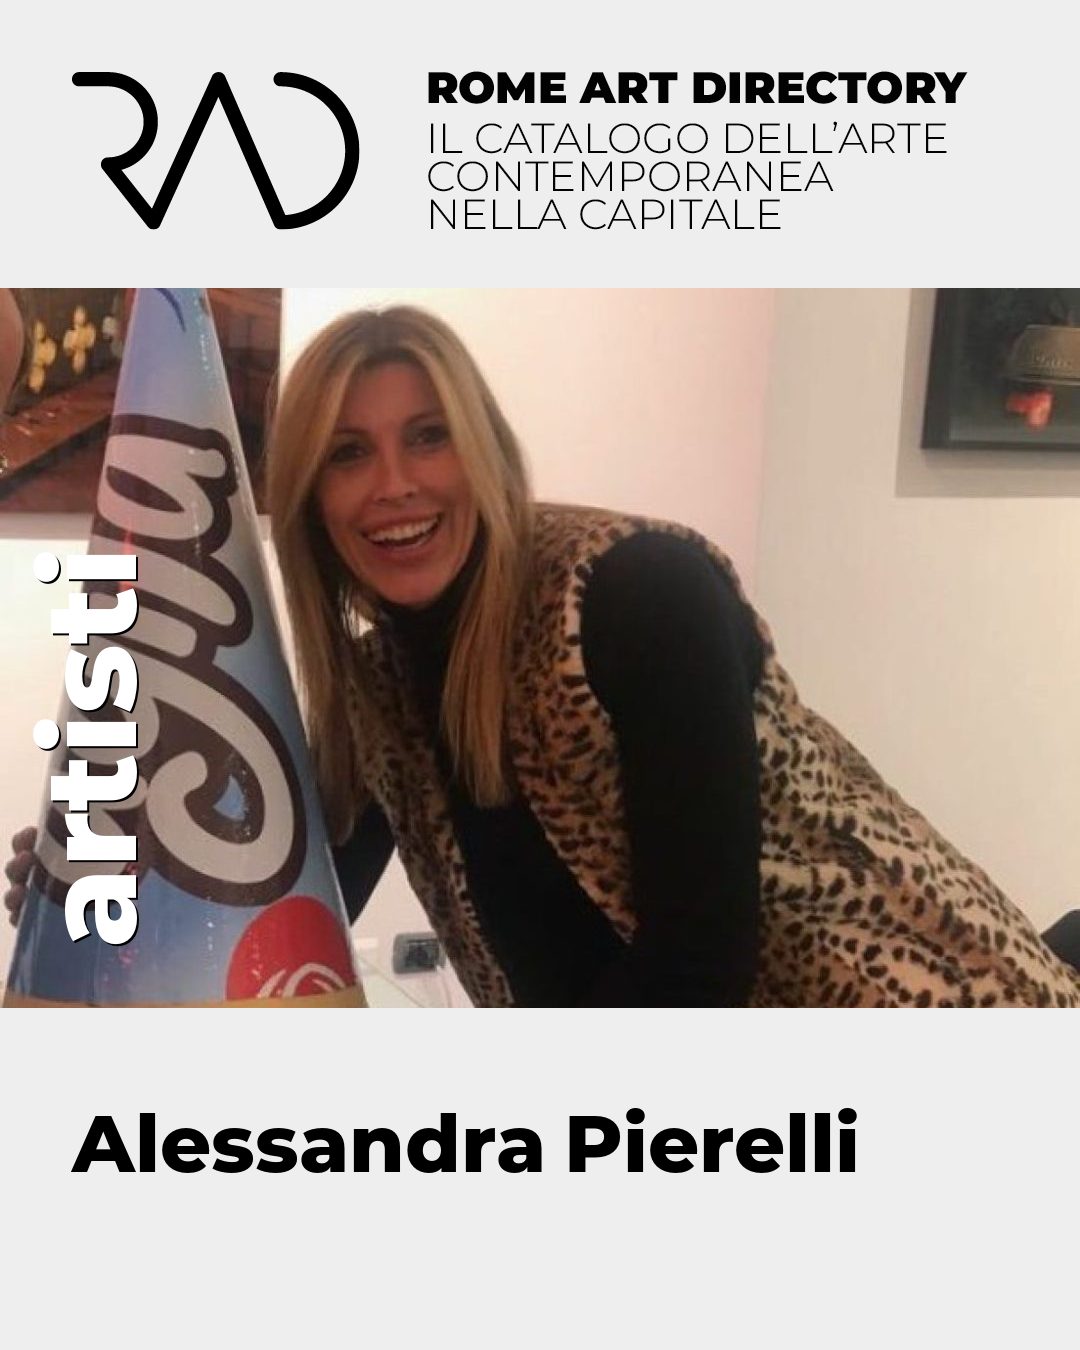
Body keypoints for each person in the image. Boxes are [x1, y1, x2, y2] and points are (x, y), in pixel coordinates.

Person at [7, 305, 1080, 1007]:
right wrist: (120, 879)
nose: (395, 485)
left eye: (429, 436)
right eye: (347, 452)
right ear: (309, 498)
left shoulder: (635, 594)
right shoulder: (382, 685)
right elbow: (297, 900)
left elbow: (697, 975)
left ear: (483, 449)